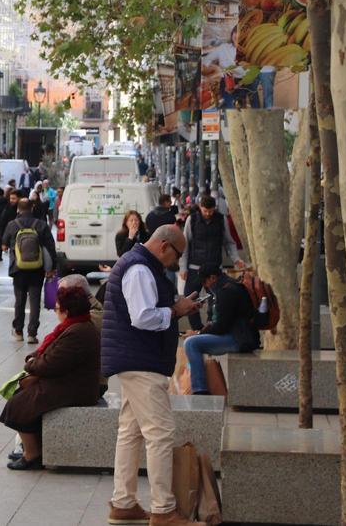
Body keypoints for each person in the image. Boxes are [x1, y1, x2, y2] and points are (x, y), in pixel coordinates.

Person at [102, 225, 203, 526]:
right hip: (140, 360)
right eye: (177, 254)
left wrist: (176, 309)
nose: (176, 261)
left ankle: (123, 503)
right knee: (160, 433)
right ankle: (163, 510)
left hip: (134, 358)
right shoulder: (140, 269)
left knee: (131, 433)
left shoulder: (139, 264)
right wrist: (175, 310)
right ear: (163, 246)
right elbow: (143, 316)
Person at [0, 285, 101, 471]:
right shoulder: (75, 327)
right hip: (72, 381)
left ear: (67, 311)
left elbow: (50, 365)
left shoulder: (78, 332)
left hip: (77, 388)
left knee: (20, 402)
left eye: (56, 308)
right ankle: (34, 448)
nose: (55, 311)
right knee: (24, 393)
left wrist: (30, 364)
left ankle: (32, 454)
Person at [182, 263, 270, 394]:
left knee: (191, 343)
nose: (205, 286)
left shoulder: (226, 292)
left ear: (212, 278)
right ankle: (199, 387)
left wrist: (199, 333)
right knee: (194, 341)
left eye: (204, 282)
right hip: (242, 336)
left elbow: (221, 327)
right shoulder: (229, 286)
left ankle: (199, 390)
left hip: (240, 339)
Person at [179, 195, 244, 330]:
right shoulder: (192, 220)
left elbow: (229, 242)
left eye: (211, 211)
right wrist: (183, 267)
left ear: (214, 209)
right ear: (200, 208)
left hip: (214, 268)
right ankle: (197, 328)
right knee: (191, 298)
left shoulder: (221, 220)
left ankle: (211, 326)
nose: (208, 214)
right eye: (205, 211)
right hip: (195, 267)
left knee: (215, 299)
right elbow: (185, 244)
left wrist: (236, 259)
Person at [2, 199, 58, 344]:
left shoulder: (12, 225)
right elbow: (51, 247)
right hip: (37, 268)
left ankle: (18, 331)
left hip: (18, 268)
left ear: (18, 209)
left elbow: (3, 244)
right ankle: (32, 333)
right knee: (34, 301)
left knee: (19, 300)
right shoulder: (41, 225)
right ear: (32, 208)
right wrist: (52, 268)